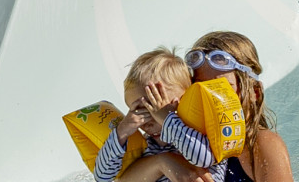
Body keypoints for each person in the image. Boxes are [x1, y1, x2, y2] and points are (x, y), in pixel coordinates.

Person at [94, 48, 227, 182]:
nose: (146, 123)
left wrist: (167, 120)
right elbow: (102, 177)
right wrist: (122, 131)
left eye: (154, 110)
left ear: (184, 102)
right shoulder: (147, 145)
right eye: (139, 113)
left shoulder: (204, 134)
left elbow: (202, 159)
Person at [184, 31, 293, 182]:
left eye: (223, 88)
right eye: (201, 89)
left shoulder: (264, 145)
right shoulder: (191, 145)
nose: (211, 99)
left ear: (255, 93)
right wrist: (161, 163)